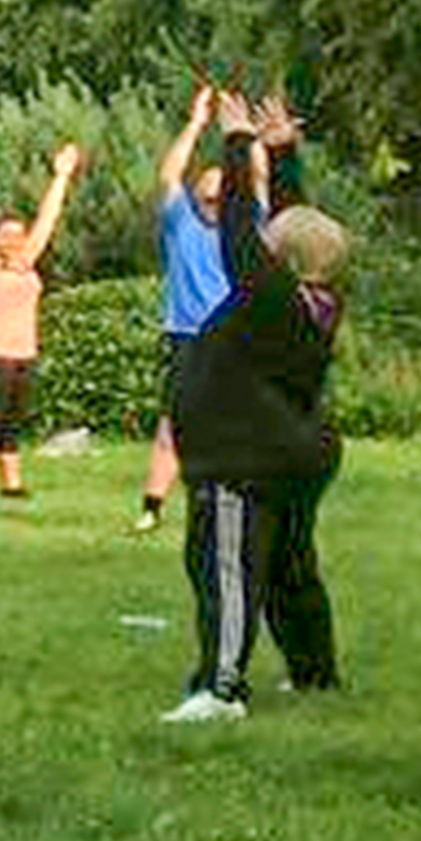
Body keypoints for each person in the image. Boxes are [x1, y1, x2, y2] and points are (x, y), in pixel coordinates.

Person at [164, 93, 343, 722]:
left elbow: (240, 225)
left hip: (243, 457)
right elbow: (298, 230)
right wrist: (284, 154)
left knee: (227, 567)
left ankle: (221, 688)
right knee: (291, 566)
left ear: (279, 261)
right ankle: (315, 674)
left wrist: (240, 145)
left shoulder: (269, 298)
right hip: (298, 448)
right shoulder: (317, 298)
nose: (260, 239)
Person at [0, 141, 83, 505]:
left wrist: (62, 176)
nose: (13, 240)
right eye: (5, 235)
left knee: (13, 421)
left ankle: (11, 484)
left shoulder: (28, 261)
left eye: (18, 235)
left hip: (25, 354)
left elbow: (48, 218)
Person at [136, 86, 230, 535]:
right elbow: (169, 174)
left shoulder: (246, 229)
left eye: (220, 198)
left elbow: (264, 181)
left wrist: (242, 136)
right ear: (196, 199)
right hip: (186, 336)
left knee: (232, 423)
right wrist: (196, 123)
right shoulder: (182, 225)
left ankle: (224, 499)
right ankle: (151, 508)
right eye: (206, 197)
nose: (212, 205)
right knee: (172, 426)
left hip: (233, 339)